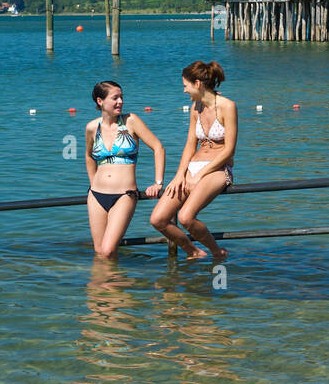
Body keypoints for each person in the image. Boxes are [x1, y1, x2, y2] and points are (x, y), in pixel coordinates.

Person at [150, 60, 234, 260]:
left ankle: (217, 252)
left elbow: (229, 149)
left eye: (185, 86)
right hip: (192, 167)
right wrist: (180, 175)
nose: (184, 91)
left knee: (185, 217)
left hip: (217, 169)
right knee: (158, 219)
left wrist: (202, 174)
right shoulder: (196, 107)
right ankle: (193, 251)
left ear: (197, 84)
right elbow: (190, 144)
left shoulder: (227, 106)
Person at [85, 81, 165, 260]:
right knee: (100, 252)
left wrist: (158, 182)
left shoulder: (131, 121)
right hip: (96, 195)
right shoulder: (92, 128)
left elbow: (158, 148)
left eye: (121, 97)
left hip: (124, 195)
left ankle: (113, 286)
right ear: (100, 101)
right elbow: (89, 157)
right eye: (115, 98)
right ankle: (106, 287)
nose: (120, 101)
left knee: (107, 250)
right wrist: (92, 184)